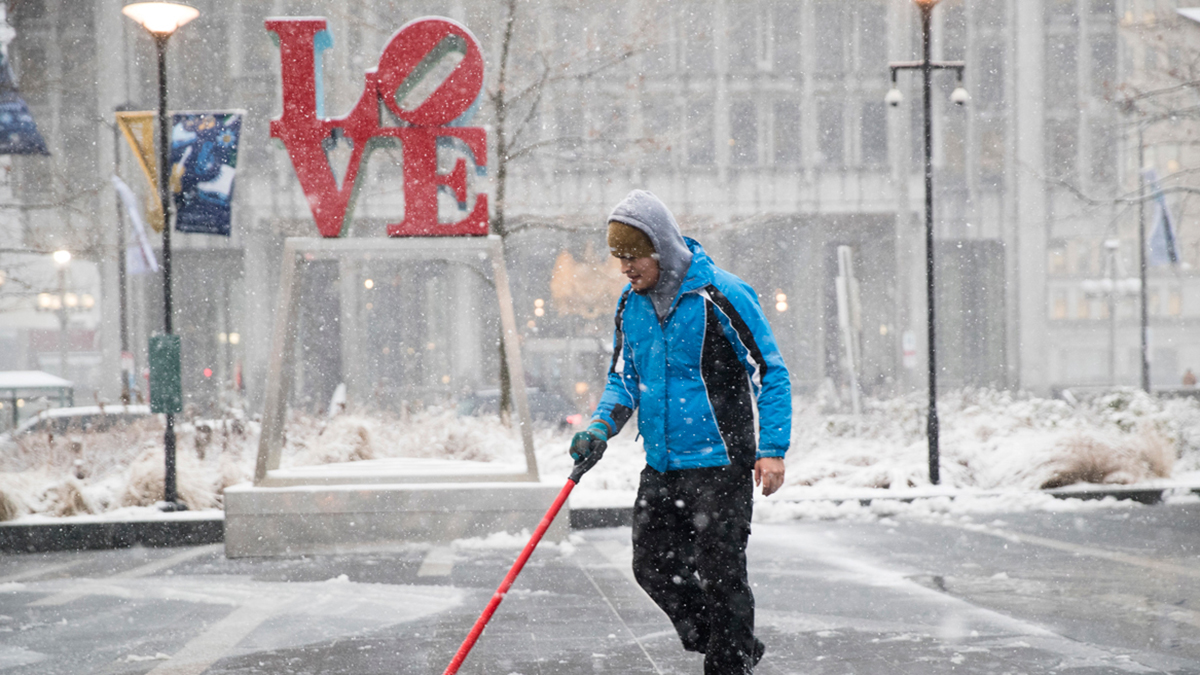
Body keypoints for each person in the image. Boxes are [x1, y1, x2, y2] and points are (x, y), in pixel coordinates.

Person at [569, 190, 791, 674]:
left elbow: (770, 371)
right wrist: (599, 428)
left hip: (720, 463)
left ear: (661, 249)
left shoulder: (721, 294)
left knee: (721, 575)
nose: (625, 268)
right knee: (651, 568)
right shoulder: (632, 305)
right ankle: (731, 644)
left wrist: (772, 448)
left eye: (633, 257)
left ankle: (728, 662)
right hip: (664, 464)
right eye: (619, 259)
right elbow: (624, 379)